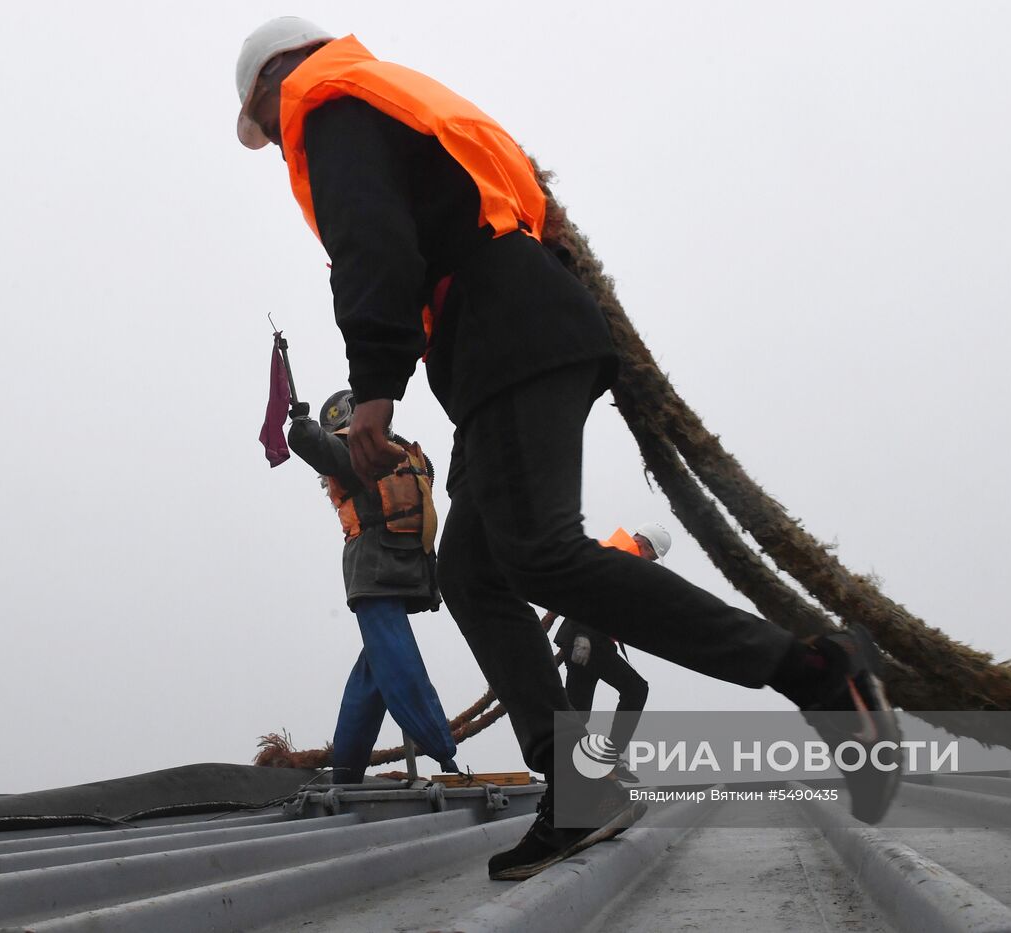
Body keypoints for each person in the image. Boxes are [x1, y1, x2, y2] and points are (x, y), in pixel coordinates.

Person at [234, 17, 902, 881]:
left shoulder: (327, 109)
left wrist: (374, 387)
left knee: (541, 555)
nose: (273, 133)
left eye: (262, 115)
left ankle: (813, 671)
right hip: (510, 340)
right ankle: (579, 787)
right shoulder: (387, 96)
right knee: (475, 572)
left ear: (270, 83)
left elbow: (373, 245)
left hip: (506, 335)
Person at [287, 388, 460, 783]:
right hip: (375, 573)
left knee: (373, 675)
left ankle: (346, 772)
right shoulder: (353, 456)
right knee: (399, 664)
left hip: (402, 571)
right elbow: (317, 446)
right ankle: (443, 752)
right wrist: (300, 427)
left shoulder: (397, 452)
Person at [552, 524, 671, 782]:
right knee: (636, 689)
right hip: (588, 640)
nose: (649, 563)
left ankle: (566, 773)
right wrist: (583, 634)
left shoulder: (619, 555)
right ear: (643, 545)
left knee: (577, 713)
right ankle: (609, 758)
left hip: (587, 640)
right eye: (651, 557)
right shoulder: (621, 556)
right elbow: (588, 592)